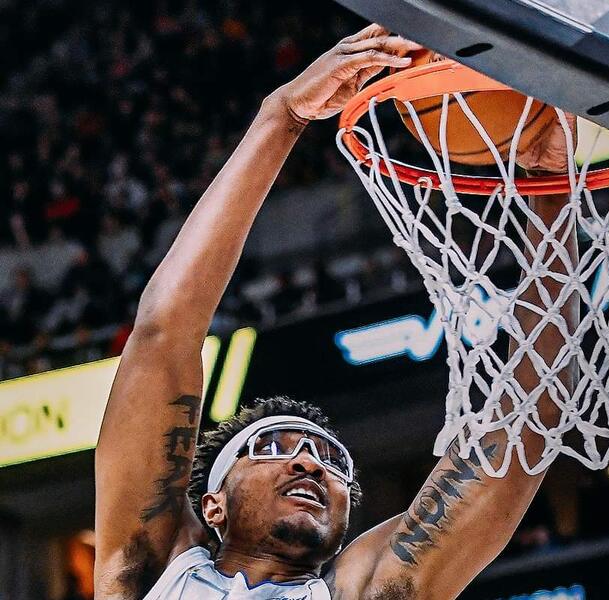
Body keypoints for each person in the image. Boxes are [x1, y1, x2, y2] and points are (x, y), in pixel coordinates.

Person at [94, 24, 578, 600]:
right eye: (274, 448)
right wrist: (282, 115)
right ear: (212, 506)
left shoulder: (361, 591)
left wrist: (551, 194)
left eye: (330, 460)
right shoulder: (153, 573)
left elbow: (518, 439)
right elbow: (162, 335)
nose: (311, 464)